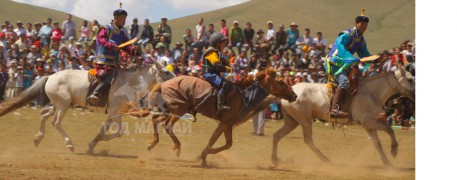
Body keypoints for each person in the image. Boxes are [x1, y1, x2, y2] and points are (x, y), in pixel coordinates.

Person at [86, 4, 140, 105]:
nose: (124, 21)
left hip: (114, 63)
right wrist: (111, 45)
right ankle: (94, 94)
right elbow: (101, 40)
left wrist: (133, 49)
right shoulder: (106, 28)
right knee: (111, 76)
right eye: (122, 18)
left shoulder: (122, 33)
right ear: (115, 18)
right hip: (103, 61)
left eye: (125, 18)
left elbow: (126, 45)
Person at [325, 10, 371, 117]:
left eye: (366, 25)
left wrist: (374, 60)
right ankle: (334, 109)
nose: (364, 26)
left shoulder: (361, 41)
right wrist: (350, 58)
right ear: (356, 24)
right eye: (362, 24)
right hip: (334, 63)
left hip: (345, 65)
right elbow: (340, 48)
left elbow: (364, 54)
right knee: (344, 82)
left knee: (357, 83)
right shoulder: (346, 34)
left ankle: (349, 107)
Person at [201, 33, 231, 111]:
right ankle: (220, 105)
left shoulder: (217, 53)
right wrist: (227, 69)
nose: (225, 44)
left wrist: (228, 63)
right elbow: (217, 65)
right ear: (218, 44)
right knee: (225, 84)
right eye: (223, 42)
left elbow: (224, 62)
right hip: (209, 74)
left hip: (213, 74)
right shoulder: (212, 53)